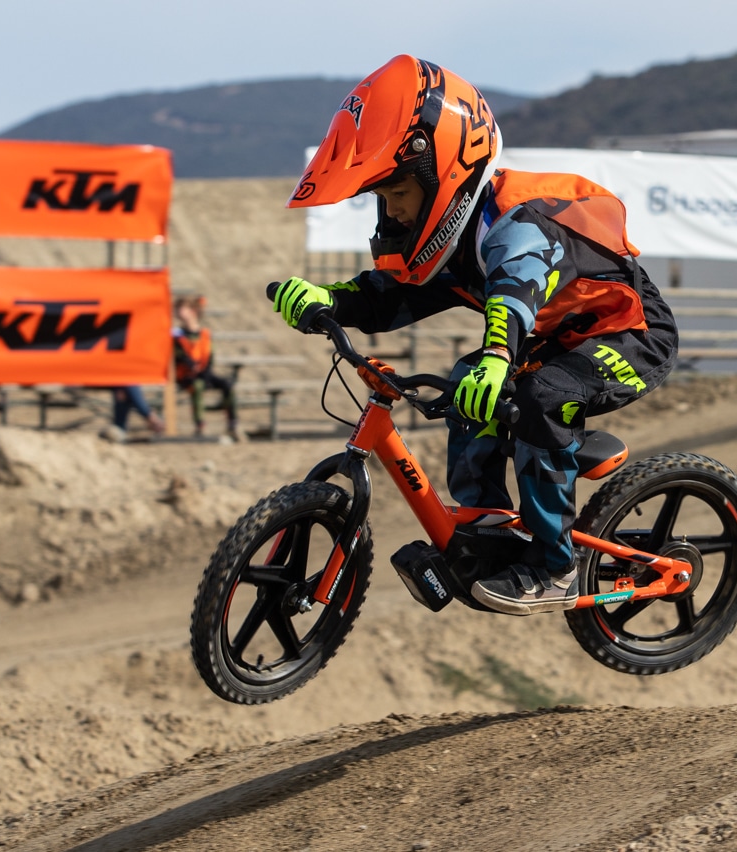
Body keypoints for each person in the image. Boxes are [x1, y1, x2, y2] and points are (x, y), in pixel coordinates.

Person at [271, 55, 678, 616]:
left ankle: (555, 567)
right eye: (383, 200)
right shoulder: (451, 241)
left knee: (542, 396)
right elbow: (394, 295)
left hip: (630, 333)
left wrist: (496, 355)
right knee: (469, 384)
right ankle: (486, 526)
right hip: (552, 339)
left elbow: (517, 290)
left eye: (397, 195)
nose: (392, 212)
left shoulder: (516, 224)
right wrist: (330, 300)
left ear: (444, 175)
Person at [172, 295, 240, 439]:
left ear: (192, 311)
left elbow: (209, 357)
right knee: (197, 386)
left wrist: (204, 371)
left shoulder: (204, 334)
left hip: (204, 372)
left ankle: (233, 424)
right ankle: (200, 425)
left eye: (181, 308)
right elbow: (179, 357)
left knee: (227, 384)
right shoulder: (177, 335)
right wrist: (192, 367)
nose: (178, 312)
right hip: (186, 375)